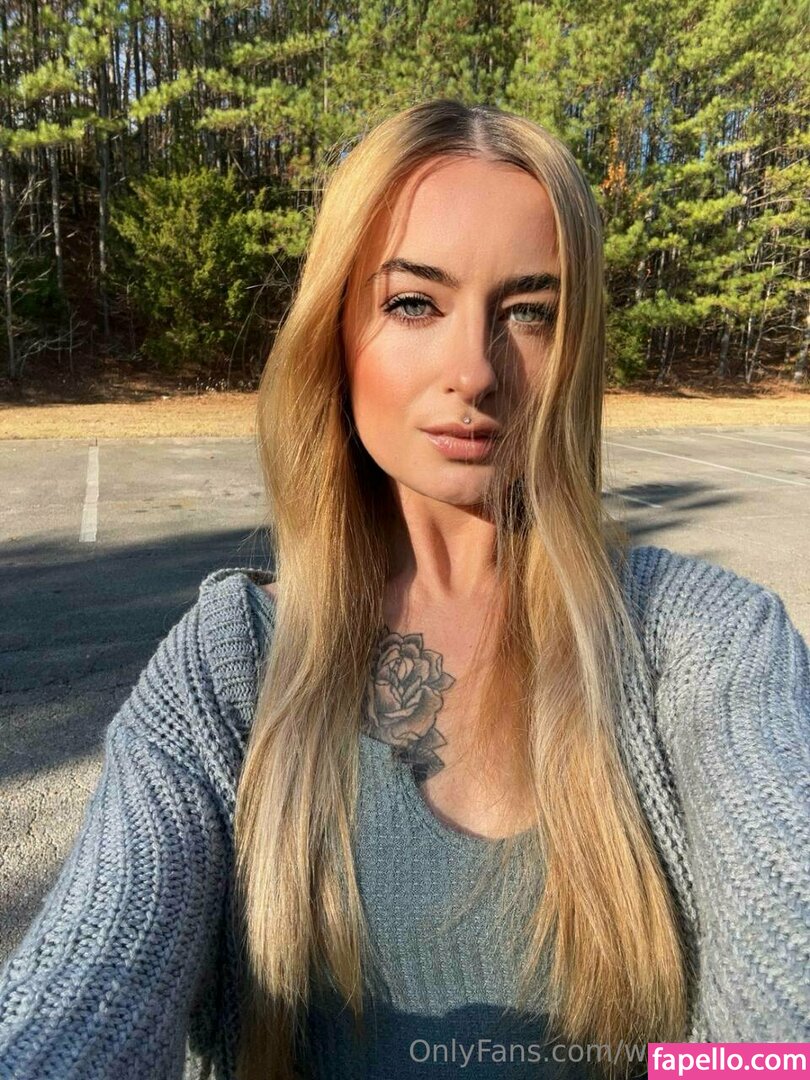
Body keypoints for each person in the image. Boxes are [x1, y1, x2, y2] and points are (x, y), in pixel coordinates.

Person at [0, 98, 807, 1080]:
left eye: (530, 312)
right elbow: (93, 972)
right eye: (415, 303)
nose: (474, 371)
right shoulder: (230, 666)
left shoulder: (705, 642)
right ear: (335, 333)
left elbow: (783, 991)